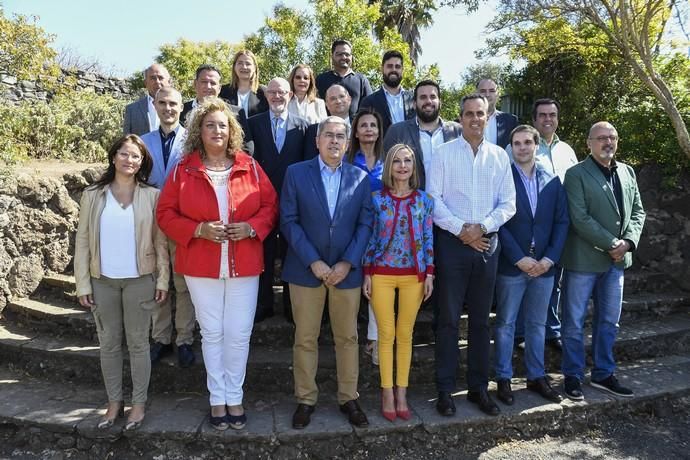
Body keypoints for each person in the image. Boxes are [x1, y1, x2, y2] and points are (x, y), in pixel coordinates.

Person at [156, 97, 278, 430]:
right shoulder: (184, 168)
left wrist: (253, 228)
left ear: (232, 130)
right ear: (199, 129)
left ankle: (234, 397)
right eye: (210, 124)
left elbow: (270, 206)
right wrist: (197, 229)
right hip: (200, 264)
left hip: (245, 263)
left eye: (222, 125)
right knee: (211, 333)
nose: (216, 130)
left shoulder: (249, 166)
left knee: (238, 334)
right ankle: (217, 400)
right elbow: (164, 214)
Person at [281, 116, 373, 429]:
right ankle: (305, 399)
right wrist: (314, 261)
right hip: (307, 271)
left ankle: (349, 397)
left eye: (340, 137)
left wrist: (347, 262)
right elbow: (289, 221)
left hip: (346, 272)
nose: (334, 141)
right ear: (318, 140)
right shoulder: (296, 173)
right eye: (329, 135)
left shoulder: (360, 178)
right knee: (305, 338)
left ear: (348, 144)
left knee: (347, 338)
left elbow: (366, 224)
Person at [428, 94, 515, 417]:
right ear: (460, 118)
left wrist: (482, 228)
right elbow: (433, 199)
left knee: (480, 322)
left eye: (481, 114)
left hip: (487, 245)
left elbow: (508, 203)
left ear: (488, 117)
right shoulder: (443, 154)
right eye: (469, 114)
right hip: (452, 244)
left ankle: (479, 389)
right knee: (448, 321)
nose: (475, 119)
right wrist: (461, 229)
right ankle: (445, 391)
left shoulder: (499, 157)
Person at [75, 135, 169, 431]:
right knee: (109, 345)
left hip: (140, 280)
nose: (130, 160)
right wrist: (83, 284)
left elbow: (160, 241)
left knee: (139, 344)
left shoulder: (151, 195)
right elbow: (83, 242)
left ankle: (138, 404)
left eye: (136, 156)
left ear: (143, 162)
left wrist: (163, 278)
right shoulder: (93, 194)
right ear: (114, 156)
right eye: (125, 154)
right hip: (102, 281)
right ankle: (114, 403)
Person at [560, 121, 645, 401]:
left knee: (609, 321)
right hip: (584, 260)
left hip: (616, 263)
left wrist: (628, 243)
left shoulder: (627, 172)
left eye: (612, 137)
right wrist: (612, 244)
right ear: (589, 143)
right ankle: (572, 376)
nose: (607, 142)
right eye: (601, 138)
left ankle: (603, 374)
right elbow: (579, 217)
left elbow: (638, 213)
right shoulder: (576, 174)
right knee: (573, 322)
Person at [493, 125, 568, 406]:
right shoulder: (503, 178)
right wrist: (518, 258)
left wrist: (549, 258)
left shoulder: (552, 180)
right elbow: (498, 221)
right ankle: (503, 378)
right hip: (514, 265)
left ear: (537, 145)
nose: (522, 147)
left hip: (544, 267)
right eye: (517, 143)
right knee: (505, 324)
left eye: (527, 142)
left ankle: (537, 377)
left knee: (538, 324)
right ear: (511, 147)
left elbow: (562, 221)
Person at [362, 144, 434, 421]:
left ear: (414, 167)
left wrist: (430, 273)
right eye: (397, 162)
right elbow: (370, 237)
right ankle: (386, 392)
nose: (403, 166)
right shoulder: (376, 199)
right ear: (389, 167)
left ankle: (402, 391)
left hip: (413, 276)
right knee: (385, 334)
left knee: (405, 335)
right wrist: (367, 271)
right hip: (381, 273)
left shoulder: (424, 201)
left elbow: (428, 238)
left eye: (408, 161)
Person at [511, 98, 578, 351]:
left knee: (554, 282)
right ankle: (519, 332)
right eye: (542, 115)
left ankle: (552, 329)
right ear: (535, 119)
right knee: (521, 284)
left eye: (552, 114)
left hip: (556, 226)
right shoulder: (522, 144)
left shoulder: (567, 151)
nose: (548, 119)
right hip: (524, 230)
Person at [140, 87, 197, 367]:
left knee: (183, 282)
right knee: (156, 281)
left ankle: (184, 339)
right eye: (162, 103)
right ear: (155, 105)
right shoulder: (142, 141)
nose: (168, 108)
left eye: (173, 103)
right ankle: (160, 338)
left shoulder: (192, 141)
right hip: (151, 222)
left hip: (182, 220)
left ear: (181, 107)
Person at [247, 77, 310, 323]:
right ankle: (264, 305)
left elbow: (306, 167)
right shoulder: (253, 124)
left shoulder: (303, 126)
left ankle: (290, 306)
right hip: (261, 201)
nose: (276, 96)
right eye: (272, 92)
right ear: (266, 96)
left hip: (293, 202)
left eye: (282, 92)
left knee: (291, 254)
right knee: (263, 253)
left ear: (291, 95)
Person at [347, 107, 385, 365]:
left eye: (373, 125)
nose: (369, 129)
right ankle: (350, 340)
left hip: (385, 231)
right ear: (356, 132)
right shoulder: (349, 161)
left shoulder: (389, 159)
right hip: (354, 228)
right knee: (356, 284)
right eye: (364, 125)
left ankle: (374, 340)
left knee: (378, 286)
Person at [383, 80, 462, 190]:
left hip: (451, 203)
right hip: (413, 203)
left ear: (440, 102)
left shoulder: (457, 131)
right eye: (423, 97)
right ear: (414, 104)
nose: (428, 101)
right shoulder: (397, 131)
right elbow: (386, 171)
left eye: (433, 97)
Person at [180, 65, 252, 154]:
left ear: (219, 88)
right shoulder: (180, 111)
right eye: (204, 82)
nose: (208, 86)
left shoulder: (236, 113)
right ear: (195, 84)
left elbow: (247, 148)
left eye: (213, 83)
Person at [359, 50, 415, 136]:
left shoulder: (414, 99)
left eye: (397, 66)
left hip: (411, 149)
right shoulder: (369, 102)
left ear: (402, 70)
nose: (393, 70)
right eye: (389, 66)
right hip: (383, 149)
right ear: (382, 69)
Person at [316, 39, 372, 120]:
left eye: (347, 54)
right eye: (339, 54)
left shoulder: (361, 80)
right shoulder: (321, 79)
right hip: (328, 128)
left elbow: (369, 107)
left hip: (355, 130)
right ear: (332, 56)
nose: (343, 57)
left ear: (351, 57)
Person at [123, 63, 172, 136]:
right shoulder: (132, 110)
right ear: (146, 83)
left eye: (160, 78)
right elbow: (127, 141)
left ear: (169, 82)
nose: (157, 81)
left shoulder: (179, 109)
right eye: (153, 78)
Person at [219, 50, 269, 117]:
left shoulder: (264, 92)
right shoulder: (223, 91)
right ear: (234, 67)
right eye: (240, 63)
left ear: (254, 68)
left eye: (248, 64)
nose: (244, 67)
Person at [476, 78, 518, 149]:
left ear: (498, 94)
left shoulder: (511, 121)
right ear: (476, 94)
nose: (487, 94)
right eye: (483, 91)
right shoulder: (463, 122)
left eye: (492, 91)